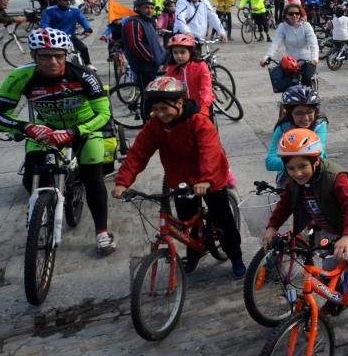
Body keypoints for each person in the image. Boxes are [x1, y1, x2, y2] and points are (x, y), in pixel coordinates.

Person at [0, 28, 115, 254]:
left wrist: (75, 131)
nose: (52, 61)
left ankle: (102, 232)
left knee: (93, 178)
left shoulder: (84, 74)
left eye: (58, 55)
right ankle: (44, 209)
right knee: (30, 178)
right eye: (45, 56)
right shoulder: (20, 76)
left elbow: (104, 114)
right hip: (45, 129)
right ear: (34, 56)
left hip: (84, 128)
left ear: (66, 54)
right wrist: (25, 127)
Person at [111, 76, 244, 276]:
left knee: (222, 218)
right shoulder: (155, 125)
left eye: (164, 109)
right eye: (155, 109)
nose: (159, 114)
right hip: (180, 178)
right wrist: (122, 182)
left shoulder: (199, 121)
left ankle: (235, 257)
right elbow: (138, 153)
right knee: (186, 221)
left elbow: (210, 150)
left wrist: (206, 179)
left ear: (180, 103)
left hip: (210, 175)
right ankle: (194, 253)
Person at [262, 128, 348, 347]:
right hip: (327, 228)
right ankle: (337, 300)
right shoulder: (294, 182)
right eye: (291, 168)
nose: (297, 173)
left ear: (316, 161)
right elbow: (285, 204)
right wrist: (272, 226)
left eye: (302, 166)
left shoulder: (335, 177)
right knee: (328, 264)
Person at [265, 86, 329, 186]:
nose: (306, 118)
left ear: (315, 111)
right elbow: (270, 161)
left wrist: (291, 161)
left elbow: (320, 153)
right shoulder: (282, 128)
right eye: (299, 113)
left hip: (314, 175)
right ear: (290, 113)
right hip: (288, 178)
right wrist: (297, 166)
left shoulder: (319, 124)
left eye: (309, 112)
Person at [261, 2, 319, 87]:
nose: (294, 16)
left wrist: (314, 58)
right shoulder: (282, 27)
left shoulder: (306, 26)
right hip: (291, 61)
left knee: (306, 78)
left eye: (297, 13)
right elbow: (275, 43)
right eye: (291, 14)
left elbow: (313, 43)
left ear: (300, 14)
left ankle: (310, 96)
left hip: (307, 60)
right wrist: (267, 57)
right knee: (282, 80)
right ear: (286, 15)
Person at [121, 0, 169, 88]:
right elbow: (135, 45)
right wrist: (151, 59)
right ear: (138, 8)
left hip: (152, 66)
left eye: (152, 8)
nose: (150, 10)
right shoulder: (134, 22)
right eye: (146, 7)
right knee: (148, 94)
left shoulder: (147, 21)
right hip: (145, 68)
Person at [40, 0, 94, 67]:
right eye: (65, 0)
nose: (68, 2)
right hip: (54, 38)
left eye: (70, 0)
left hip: (70, 36)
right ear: (58, 0)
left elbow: (82, 19)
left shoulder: (75, 10)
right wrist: (47, 30)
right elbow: (44, 23)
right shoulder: (50, 11)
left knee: (83, 48)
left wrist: (87, 28)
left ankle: (89, 64)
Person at [162, 33, 213, 115]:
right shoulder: (171, 68)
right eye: (175, 52)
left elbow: (206, 88)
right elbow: (167, 89)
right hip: (181, 109)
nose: (179, 56)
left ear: (190, 52)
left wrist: (204, 108)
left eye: (182, 52)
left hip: (200, 106)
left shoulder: (201, 66)